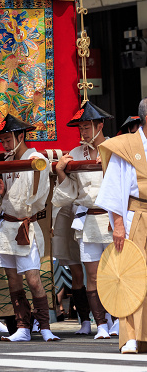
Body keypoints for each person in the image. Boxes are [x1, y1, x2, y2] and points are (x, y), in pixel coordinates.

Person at [0, 114, 59, 343]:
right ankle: (22, 327)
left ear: (21, 136)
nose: (5, 145)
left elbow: (36, 197)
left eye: (8, 140)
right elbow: (12, 194)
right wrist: (3, 190)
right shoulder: (7, 161)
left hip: (25, 226)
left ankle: (45, 326)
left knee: (33, 278)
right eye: (3, 141)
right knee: (13, 279)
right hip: (7, 224)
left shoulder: (36, 158)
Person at [52, 101, 115, 339]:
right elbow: (69, 193)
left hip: (110, 217)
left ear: (99, 125)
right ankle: (100, 324)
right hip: (88, 220)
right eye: (81, 127)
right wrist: (60, 172)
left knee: (114, 271)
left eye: (87, 126)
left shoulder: (113, 147)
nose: (83, 131)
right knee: (94, 274)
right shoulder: (76, 154)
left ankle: (116, 319)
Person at [96, 97, 147, 354]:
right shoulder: (126, 146)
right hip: (134, 214)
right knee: (130, 274)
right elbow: (115, 187)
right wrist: (117, 223)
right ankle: (130, 336)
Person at [51, 204, 92, 335]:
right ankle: (85, 320)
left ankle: (106, 319)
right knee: (77, 274)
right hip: (67, 212)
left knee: (95, 273)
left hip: (90, 209)